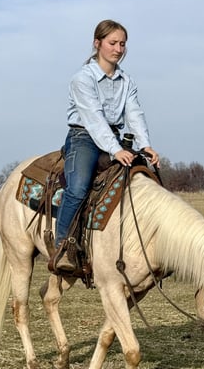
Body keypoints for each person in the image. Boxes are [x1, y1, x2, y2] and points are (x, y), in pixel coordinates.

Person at [50, 19, 160, 274]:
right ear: (97, 43)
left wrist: (145, 146)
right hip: (84, 137)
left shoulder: (126, 82)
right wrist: (115, 149)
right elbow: (94, 118)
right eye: (113, 43)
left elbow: (135, 114)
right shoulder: (83, 79)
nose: (119, 49)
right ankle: (63, 246)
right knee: (77, 188)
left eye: (122, 44)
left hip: (113, 138)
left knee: (143, 178)